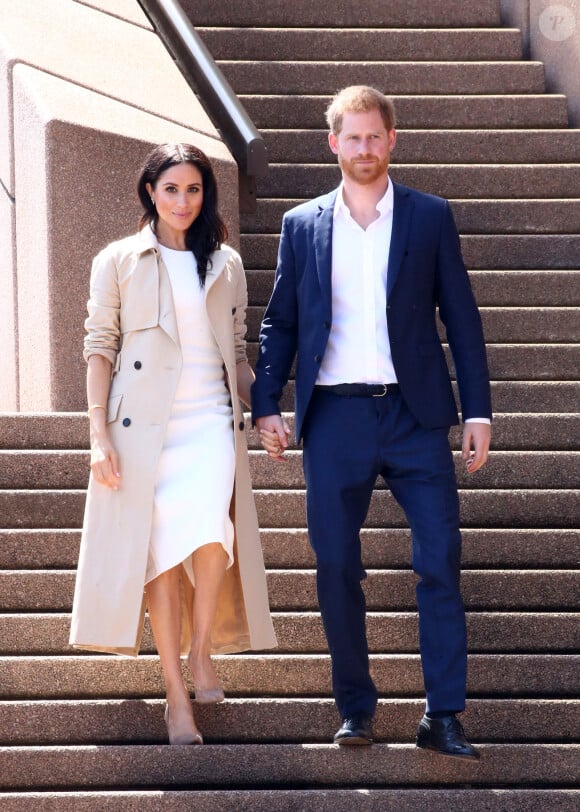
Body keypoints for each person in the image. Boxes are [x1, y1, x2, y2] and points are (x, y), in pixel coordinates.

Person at [252, 86, 491, 759]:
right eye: (350, 138)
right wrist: (267, 403)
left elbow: (463, 320)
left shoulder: (428, 218)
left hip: (415, 418)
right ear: (333, 144)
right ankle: (356, 708)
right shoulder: (302, 225)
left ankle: (442, 715)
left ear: (393, 139)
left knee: (440, 561)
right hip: (335, 418)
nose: (363, 148)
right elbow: (282, 323)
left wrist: (477, 410)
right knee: (334, 565)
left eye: (373, 136)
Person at [70, 142, 277, 746]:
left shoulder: (226, 264)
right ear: (149, 193)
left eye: (194, 190)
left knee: (213, 535)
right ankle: (175, 696)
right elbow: (99, 346)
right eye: (171, 189)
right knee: (159, 557)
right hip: (142, 430)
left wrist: (263, 408)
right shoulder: (118, 260)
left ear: (205, 195)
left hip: (210, 421)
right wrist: (97, 435)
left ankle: (202, 647)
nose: (182, 201)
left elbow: (236, 353)